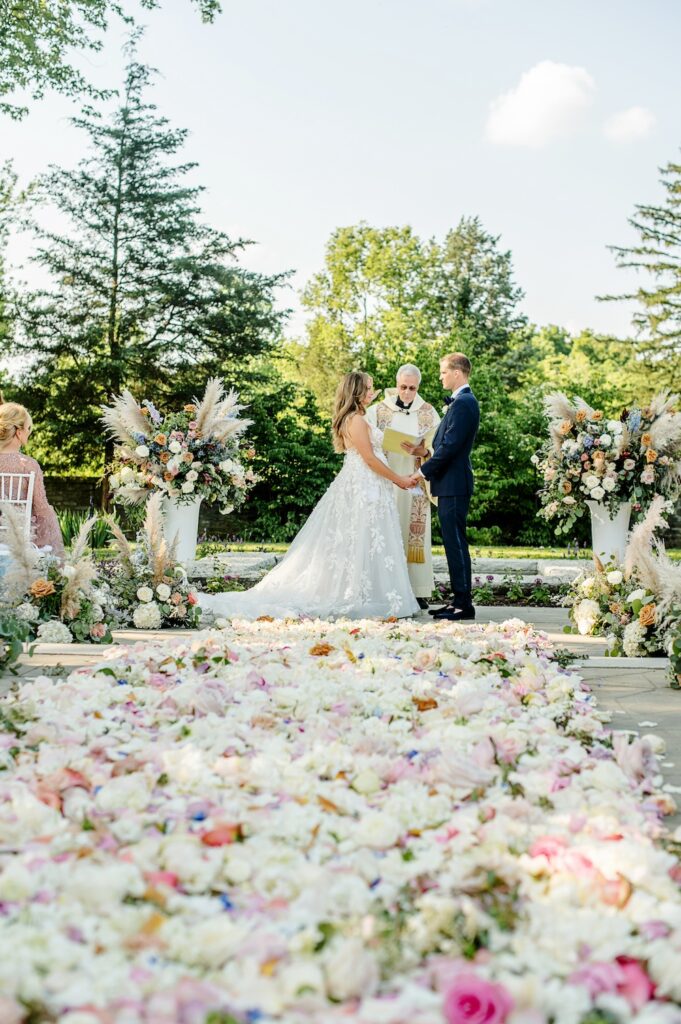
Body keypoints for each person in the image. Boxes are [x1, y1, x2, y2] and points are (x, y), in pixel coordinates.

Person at [198, 371, 420, 620]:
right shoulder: (355, 420)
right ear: (356, 391)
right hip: (363, 488)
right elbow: (368, 458)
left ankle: (364, 592)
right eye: (368, 388)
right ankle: (354, 595)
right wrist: (399, 479)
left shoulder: (360, 417)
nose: (372, 392)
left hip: (370, 487)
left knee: (363, 540)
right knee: (359, 538)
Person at [407, 353, 479, 621]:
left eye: (443, 372)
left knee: (456, 544)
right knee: (451, 543)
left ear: (457, 373)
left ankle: (464, 605)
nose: (440, 377)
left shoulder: (464, 403)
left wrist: (421, 472)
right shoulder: (460, 402)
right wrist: (422, 451)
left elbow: (450, 448)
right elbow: (443, 444)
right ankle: (458, 600)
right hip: (449, 483)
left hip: (454, 484)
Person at [365, 364, 440, 608]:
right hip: (385, 479)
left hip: (414, 481)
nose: (407, 393)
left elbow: (438, 447)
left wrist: (424, 450)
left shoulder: (429, 413)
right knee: (386, 531)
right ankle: (385, 588)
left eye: (412, 388)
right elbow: (365, 443)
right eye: (403, 387)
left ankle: (417, 591)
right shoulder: (377, 411)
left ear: (418, 387)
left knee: (413, 535)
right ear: (396, 384)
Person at [0, 399, 65, 558]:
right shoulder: (28, 465)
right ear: (19, 432)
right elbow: (40, 506)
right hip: (20, 536)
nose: (29, 432)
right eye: (28, 428)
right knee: (47, 514)